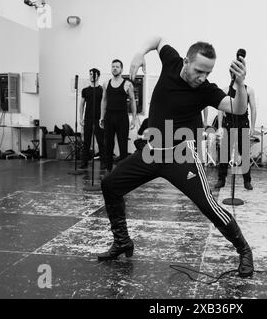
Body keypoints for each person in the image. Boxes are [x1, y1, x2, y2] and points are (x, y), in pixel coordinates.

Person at [98, 37, 253, 278]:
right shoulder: (171, 61)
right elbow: (158, 40)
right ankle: (122, 241)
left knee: (208, 205)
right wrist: (140, 51)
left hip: (181, 155)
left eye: (208, 72)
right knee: (110, 185)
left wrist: (241, 84)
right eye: (199, 70)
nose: (202, 77)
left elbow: (238, 108)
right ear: (185, 61)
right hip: (151, 151)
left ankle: (244, 250)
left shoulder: (205, 90)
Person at [215, 84, 257, 190]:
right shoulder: (225, 90)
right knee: (224, 152)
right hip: (229, 123)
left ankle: (247, 181)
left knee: (245, 153)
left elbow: (253, 108)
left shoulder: (249, 90)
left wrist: (252, 127)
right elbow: (220, 109)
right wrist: (219, 127)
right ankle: (221, 179)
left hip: (243, 123)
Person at [100, 59, 137, 172]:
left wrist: (134, 119)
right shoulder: (106, 84)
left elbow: (132, 101)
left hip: (122, 117)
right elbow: (104, 101)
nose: (114, 68)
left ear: (121, 69)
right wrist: (102, 117)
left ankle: (123, 171)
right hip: (109, 116)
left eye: (117, 67)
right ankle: (108, 170)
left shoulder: (127, 84)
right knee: (108, 144)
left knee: (123, 145)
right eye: (113, 66)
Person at [79, 68, 105, 169]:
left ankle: (103, 162)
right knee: (86, 142)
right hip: (88, 118)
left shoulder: (102, 90)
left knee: (101, 141)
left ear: (98, 76)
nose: (91, 76)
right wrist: (81, 118)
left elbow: (105, 104)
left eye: (93, 74)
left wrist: (103, 119)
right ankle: (84, 162)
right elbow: (81, 105)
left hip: (99, 119)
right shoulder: (85, 90)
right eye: (90, 74)